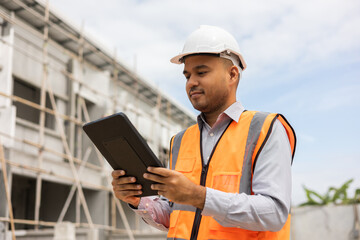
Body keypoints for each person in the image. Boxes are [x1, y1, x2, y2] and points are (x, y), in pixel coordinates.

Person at [111, 25, 296, 240]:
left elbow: (274, 213)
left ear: (232, 74)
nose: (191, 82)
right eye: (187, 75)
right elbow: (176, 216)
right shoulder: (180, 141)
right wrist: (137, 200)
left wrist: (199, 196)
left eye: (201, 72)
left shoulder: (265, 128)